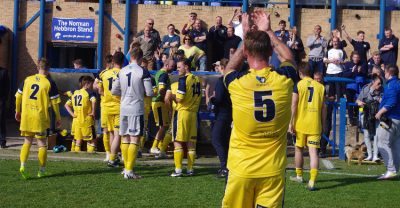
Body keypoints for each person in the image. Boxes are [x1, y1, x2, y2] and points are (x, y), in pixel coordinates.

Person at [222, 10, 297, 207]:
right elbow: (289, 59)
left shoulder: (238, 83)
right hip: (272, 171)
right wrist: (270, 31)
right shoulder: (284, 80)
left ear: (246, 52)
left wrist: (245, 37)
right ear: (271, 52)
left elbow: (229, 69)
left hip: (242, 169)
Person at [111, 46, 153, 179]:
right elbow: (149, 92)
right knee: (134, 138)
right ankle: (129, 170)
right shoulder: (143, 71)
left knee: (125, 138)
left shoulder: (121, 71)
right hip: (136, 108)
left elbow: (113, 91)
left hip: (123, 107)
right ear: (140, 58)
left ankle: (125, 168)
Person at [15, 58, 61, 179]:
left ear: (38, 67)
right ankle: (41, 171)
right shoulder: (49, 82)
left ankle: (22, 165)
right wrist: (58, 117)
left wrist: (17, 110)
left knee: (27, 141)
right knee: (41, 144)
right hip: (40, 117)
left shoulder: (27, 80)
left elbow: (18, 96)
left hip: (27, 116)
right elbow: (55, 102)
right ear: (48, 69)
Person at [289, 63, 326, 191]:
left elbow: (293, 105)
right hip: (315, 124)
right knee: (313, 152)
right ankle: (312, 181)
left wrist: (290, 123)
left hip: (300, 124)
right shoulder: (321, 87)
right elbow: (323, 108)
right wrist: (322, 123)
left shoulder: (298, 85)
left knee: (299, 149)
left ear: (300, 73)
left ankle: (299, 176)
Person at [169, 58, 201, 177]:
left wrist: (170, 96)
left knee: (177, 141)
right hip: (193, 114)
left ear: (186, 67)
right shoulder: (197, 79)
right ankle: (190, 169)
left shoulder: (183, 80)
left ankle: (178, 170)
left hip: (182, 113)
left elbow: (179, 99)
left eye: (179, 67)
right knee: (191, 143)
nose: (177, 70)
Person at [98, 52, 123, 167]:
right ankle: (113, 158)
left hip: (107, 106)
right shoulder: (123, 73)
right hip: (118, 106)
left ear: (113, 61)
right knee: (118, 134)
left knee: (111, 132)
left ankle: (111, 155)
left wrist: (106, 95)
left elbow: (98, 89)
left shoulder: (104, 74)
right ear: (123, 62)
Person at [375, 65, 400, 180]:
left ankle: (391, 169)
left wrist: (380, 112)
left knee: (382, 143)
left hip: (389, 119)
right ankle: (395, 169)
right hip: (398, 119)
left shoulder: (391, 85)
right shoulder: (398, 83)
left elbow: (392, 102)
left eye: (385, 72)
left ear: (389, 73)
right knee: (395, 144)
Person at [209, 59, 232, 178]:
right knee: (225, 140)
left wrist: (211, 98)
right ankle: (228, 165)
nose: (216, 68)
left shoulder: (221, 80)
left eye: (218, 66)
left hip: (222, 113)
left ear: (222, 67)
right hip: (229, 113)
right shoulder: (231, 80)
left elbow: (218, 99)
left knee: (216, 139)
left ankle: (224, 167)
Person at [65, 76, 97, 153]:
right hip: (86, 119)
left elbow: (66, 105)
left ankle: (74, 154)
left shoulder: (75, 93)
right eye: (91, 84)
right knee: (91, 140)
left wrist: (72, 114)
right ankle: (90, 154)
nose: (92, 86)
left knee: (77, 139)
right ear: (87, 84)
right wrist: (93, 112)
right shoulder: (89, 92)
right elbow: (94, 101)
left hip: (76, 120)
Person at [150, 59, 175, 158]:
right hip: (159, 102)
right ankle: (154, 147)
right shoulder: (163, 75)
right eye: (172, 66)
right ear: (166, 64)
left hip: (159, 102)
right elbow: (161, 89)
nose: (174, 68)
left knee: (163, 125)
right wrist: (166, 99)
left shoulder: (159, 73)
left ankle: (160, 148)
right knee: (163, 126)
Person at [356, 74, 383, 162]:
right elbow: (358, 100)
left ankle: (375, 155)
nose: (380, 85)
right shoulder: (366, 88)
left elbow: (384, 101)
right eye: (378, 83)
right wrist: (359, 102)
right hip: (366, 113)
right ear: (373, 82)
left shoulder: (382, 90)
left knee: (376, 135)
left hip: (377, 114)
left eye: (380, 83)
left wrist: (380, 100)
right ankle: (369, 154)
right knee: (367, 135)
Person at [94, 55, 113, 160]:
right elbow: (95, 86)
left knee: (109, 131)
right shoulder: (103, 73)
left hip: (105, 105)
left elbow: (95, 86)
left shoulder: (102, 73)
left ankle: (110, 153)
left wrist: (101, 89)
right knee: (110, 131)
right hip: (110, 104)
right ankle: (110, 153)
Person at [343, 51, 367, 126]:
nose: (356, 59)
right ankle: (351, 119)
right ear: (352, 57)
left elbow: (365, 74)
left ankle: (358, 118)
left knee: (359, 103)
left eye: (357, 57)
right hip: (350, 87)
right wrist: (352, 72)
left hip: (359, 88)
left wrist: (359, 72)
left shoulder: (363, 64)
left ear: (359, 58)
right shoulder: (348, 64)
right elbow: (344, 75)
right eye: (354, 57)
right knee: (350, 103)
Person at [324, 37, 345, 101]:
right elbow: (324, 60)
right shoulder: (328, 50)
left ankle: (339, 106)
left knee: (339, 91)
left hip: (338, 72)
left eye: (336, 41)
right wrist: (331, 61)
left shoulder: (341, 51)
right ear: (332, 42)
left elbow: (345, 61)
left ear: (338, 42)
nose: (335, 43)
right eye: (334, 41)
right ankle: (330, 108)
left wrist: (339, 62)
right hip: (330, 72)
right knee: (330, 92)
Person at [0, 66, 9, 148]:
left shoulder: (4, 72)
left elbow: (7, 86)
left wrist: (5, 99)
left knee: (1, 121)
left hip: (1, 100)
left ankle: (2, 141)